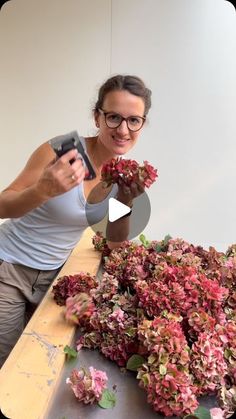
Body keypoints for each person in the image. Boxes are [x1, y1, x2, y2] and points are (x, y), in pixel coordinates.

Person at [0, 74, 152, 367]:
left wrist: (126, 202)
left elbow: (115, 241)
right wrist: (42, 190)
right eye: (113, 117)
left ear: (142, 124)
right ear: (97, 117)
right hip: (9, 268)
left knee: (42, 360)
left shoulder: (121, 174)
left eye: (134, 120)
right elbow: (3, 204)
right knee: (6, 362)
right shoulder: (62, 149)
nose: (123, 129)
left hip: (53, 276)